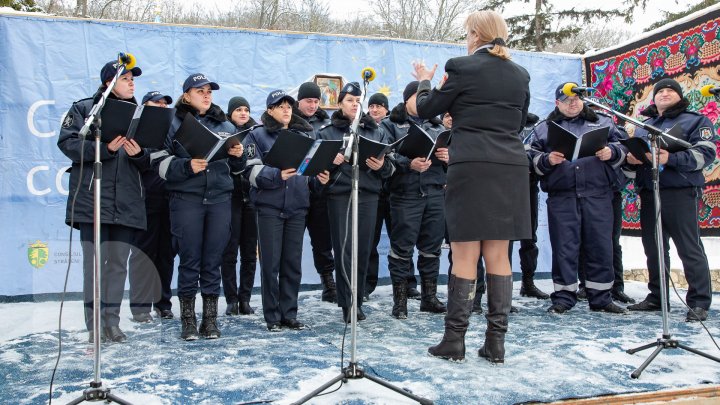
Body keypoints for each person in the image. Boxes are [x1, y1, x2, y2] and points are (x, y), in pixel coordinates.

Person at [413, 10, 531, 363]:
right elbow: (519, 119)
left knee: (465, 254)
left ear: (476, 34)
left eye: (467, 33)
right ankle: (496, 342)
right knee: (498, 254)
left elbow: (425, 107)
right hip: (510, 165)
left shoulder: (461, 66)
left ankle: (454, 340)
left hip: (472, 165)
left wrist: (423, 80)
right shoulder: (520, 74)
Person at [58, 59, 148, 343]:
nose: (132, 82)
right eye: (126, 78)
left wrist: (138, 155)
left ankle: (112, 323)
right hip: (92, 201)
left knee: (118, 265)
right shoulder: (85, 109)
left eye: (134, 79)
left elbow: (153, 158)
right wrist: (104, 148)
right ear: (109, 82)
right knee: (94, 267)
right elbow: (68, 143)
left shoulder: (141, 116)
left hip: (127, 203)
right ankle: (95, 326)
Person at [154, 73, 246, 341]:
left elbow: (236, 170)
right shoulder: (171, 123)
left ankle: (210, 320)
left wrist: (237, 157)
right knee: (190, 260)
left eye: (209, 91)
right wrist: (186, 166)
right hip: (187, 200)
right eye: (200, 91)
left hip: (219, 201)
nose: (206, 95)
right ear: (186, 95)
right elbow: (158, 163)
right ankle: (188, 321)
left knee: (212, 261)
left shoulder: (226, 126)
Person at [528, 83, 629, 316]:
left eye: (576, 99)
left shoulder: (603, 122)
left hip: (598, 195)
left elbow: (625, 148)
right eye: (567, 100)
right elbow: (529, 156)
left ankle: (602, 297)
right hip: (562, 197)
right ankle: (564, 297)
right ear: (557, 103)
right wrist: (546, 160)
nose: (573, 103)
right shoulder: (543, 128)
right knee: (564, 247)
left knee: (600, 246)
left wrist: (612, 152)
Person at [625, 78, 715, 322]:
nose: (664, 94)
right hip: (650, 191)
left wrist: (670, 159)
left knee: (689, 246)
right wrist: (632, 160)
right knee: (654, 249)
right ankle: (657, 297)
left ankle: (699, 302)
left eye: (670, 90)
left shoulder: (696, 120)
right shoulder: (644, 125)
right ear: (653, 98)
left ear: (679, 95)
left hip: (680, 192)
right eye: (660, 91)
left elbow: (705, 154)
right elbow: (637, 159)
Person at [243, 89, 329, 331]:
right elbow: (249, 172)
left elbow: (307, 175)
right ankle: (272, 317)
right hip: (269, 208)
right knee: (270, 264)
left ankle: (289, 314)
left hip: (297, 208)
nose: (286, 110)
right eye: (280, 106)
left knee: (292, 264)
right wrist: (276, 175)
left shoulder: (305, 134)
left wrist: (318, 180)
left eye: (289, 106)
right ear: (270, 110)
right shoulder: (256, 136)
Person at [317, 82, 394, 322]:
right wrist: (331, 163)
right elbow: (315, 170)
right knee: (344, 250)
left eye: (357, 100)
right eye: (349, 100)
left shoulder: (375, 130)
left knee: (362, 250)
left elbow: (390, 167)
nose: (354, 104)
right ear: (339, 103)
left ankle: (358, 300)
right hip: (340, 195)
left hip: (369, 195)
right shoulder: (327, 131)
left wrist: (382, 166)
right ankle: (347, 304)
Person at [382, 81, 448, 319]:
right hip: (405, 193)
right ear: (408, 98)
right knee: (401, 249)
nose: (423, 103)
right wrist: (407, 163)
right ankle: (400, 302)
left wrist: (448, 156)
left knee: (432, 247)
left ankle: (429, 298)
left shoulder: (438, 126)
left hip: (435, 191)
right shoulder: (390, 124)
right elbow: (384, 154)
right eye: (419, 97)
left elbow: (452, 159)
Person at [577, 101, 635, 304]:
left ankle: (616, 286)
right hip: (587, 191)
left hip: (610, 191)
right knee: (585, 239)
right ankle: (585, 284)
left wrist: (613, 154)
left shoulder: (613, 131)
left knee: (611, 241)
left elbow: (628, 157)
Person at [128, 91, 176, 323]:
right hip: (143, 200)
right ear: (144, 106)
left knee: (166, 255)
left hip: (170, 199)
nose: (161, 105)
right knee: (142, 254)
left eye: (165, 103)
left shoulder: (173, 129)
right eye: (156, 102)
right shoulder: (134, 127)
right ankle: (139, 307)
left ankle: (163, 303)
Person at [293, 82, 338, 303]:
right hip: (294, 192)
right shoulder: (289, 121)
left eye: (316, 101)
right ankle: (289, 287)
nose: (312, 105)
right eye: (308, 101)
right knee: (291, 243)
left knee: (323, 241)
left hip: (320, 191)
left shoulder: (326, 124)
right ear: (299, 101)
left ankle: (328, 283)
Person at [221, 96, 259, 316]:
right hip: (230, 199)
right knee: (229, 252)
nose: (243, 113)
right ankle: (231, 299)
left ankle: (245, 299)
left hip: (252, 200)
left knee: (249, 253)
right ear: (230, 113)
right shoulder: (223, 134)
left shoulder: (255, 135)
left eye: (246, 109)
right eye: (238, 110)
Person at [514, 112, 550, 300]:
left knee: (529, 237)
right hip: (505, 188)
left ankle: (528, 283)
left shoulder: (537, 127)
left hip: (529, 187)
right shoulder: (501, 122)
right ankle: (499, 288)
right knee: (504, 240)